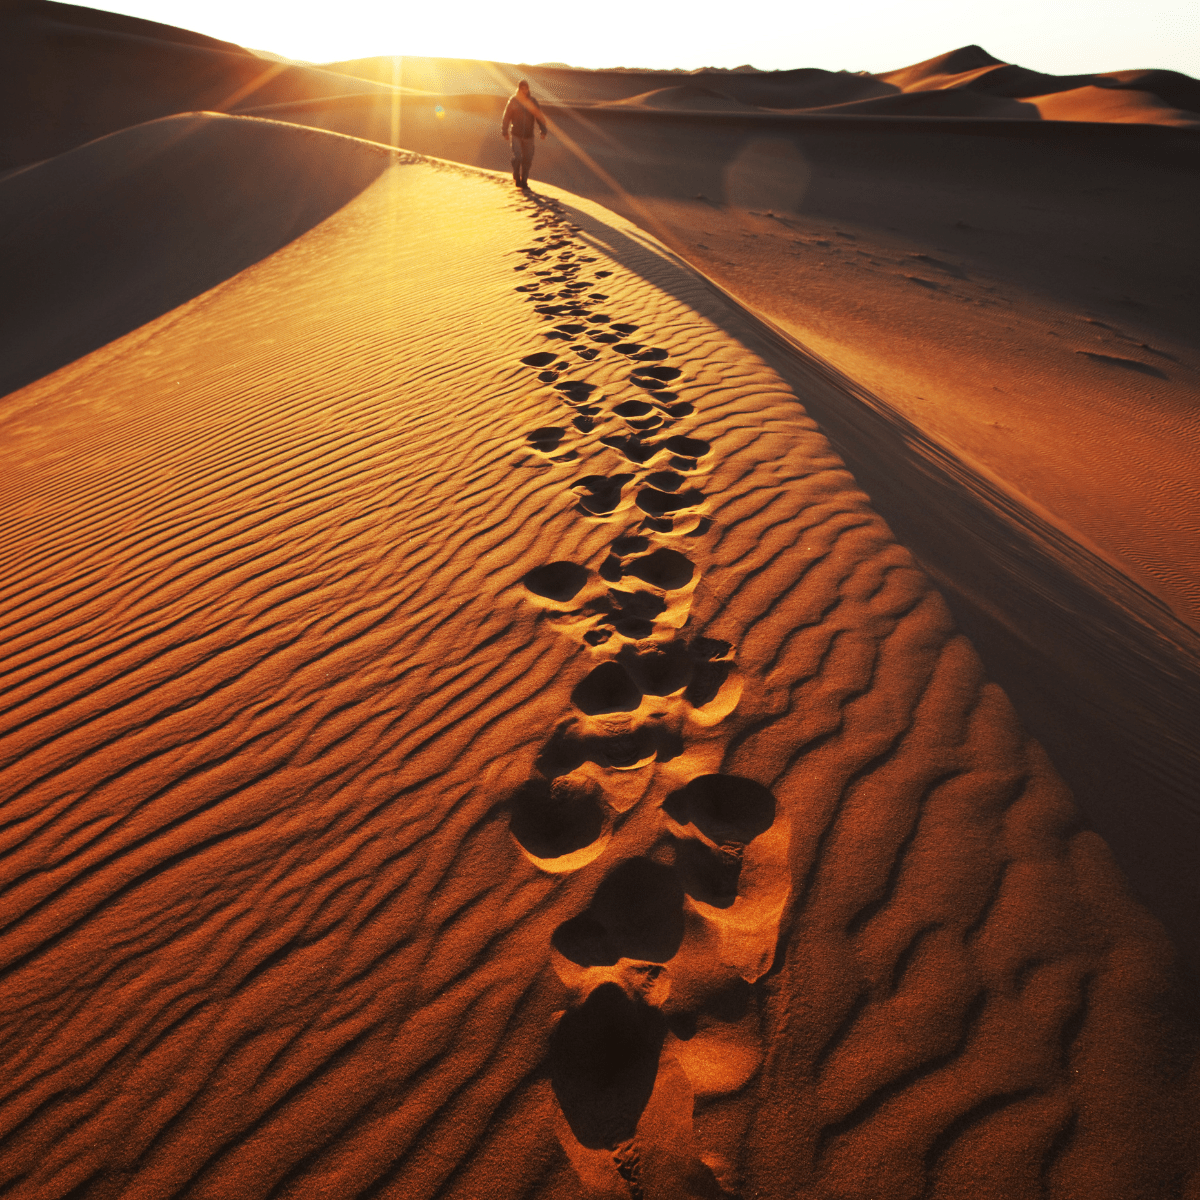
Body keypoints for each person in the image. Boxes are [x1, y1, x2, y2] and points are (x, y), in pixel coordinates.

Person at [501, 81, 547, 189]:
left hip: (529, 136)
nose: (524, 90)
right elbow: (506, 116)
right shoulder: (513, 101)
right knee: (517, 157)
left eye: (526, 88)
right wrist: (504, 131)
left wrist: (543, 130)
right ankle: (516, 175)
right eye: (522, 88)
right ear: (519, 89)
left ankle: (524, 180)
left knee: (528, 159)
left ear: (528, 89)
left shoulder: (532, 101)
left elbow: (539, 116)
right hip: (516, 134)